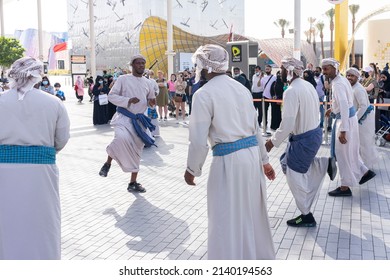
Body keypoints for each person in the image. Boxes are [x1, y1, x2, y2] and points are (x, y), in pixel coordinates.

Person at [184, 44, 276, 260]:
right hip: (252, 159)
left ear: (205, 66)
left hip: (227, 163)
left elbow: (198, 140)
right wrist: (264, 161)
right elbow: (255, 130)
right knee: (252, 215)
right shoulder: (242, 89)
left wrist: (192, 169)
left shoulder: (203, 94)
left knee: (224, 217)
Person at [0, 57, 70, 259]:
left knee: (7, 223)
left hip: (3, 174)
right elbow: (61, 139)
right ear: (37, 75)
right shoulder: (54, 102)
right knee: (41, 222)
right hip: (41, 174)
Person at [265, 57, 337, 227]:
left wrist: (271, 142)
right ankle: (325, 164)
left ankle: (306, 215)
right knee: (285, 161)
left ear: (289, 71)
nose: (280, 71)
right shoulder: (307, 85)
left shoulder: (291, 91)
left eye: (282, 68)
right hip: (312, 135)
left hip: (304, 139)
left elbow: (288, 123)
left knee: (293, 175)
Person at [98, 54, 156, 193]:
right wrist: (128, 100)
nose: (141, 65)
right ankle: (107, 163)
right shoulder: (123, 79)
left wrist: (152, 103)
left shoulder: (148, 82)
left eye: (143, 63)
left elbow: (151, 100)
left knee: (137, 151)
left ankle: (133, 182)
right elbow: (111, 96)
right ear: (132, 65)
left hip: (140, 122)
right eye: (138, 63)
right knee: (120, 138)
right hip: (124, 118)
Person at [322, 58, 376, 197]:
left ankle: (345, 187)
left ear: (334, 68)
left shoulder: (338, 84)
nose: (324, 72)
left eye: (326, 68)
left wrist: (343, 130)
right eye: (323, 68)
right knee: (350, 152)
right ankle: (365, 171)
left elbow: (345, 106)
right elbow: (342, 103)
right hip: (348, 119)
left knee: (342, 154)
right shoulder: (340, 81)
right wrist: (333, 110)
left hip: (345, 121)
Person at [346, 67, 378, 169]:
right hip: (360, 119)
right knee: (359, 143)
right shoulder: (352, 87)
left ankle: (366, 168)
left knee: (365, 143)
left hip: (364, 119)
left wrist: (354, 119)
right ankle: (362, 165)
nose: (349, 77)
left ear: (357, 77)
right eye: (348, 75)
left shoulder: (358, 89)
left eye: (352, 76)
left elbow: (363, 106)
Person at [260, 65, 276, 133]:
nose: (267, 70)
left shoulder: (274, 77)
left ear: (271, 69)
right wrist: (260, 77)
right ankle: (265, 124)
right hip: (265, 96)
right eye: (266, 69)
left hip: (272, 97)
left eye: (268, 69)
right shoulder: (263, 78)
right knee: (264, 112)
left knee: (273, 112)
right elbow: (260, 86)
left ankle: (273, 125)